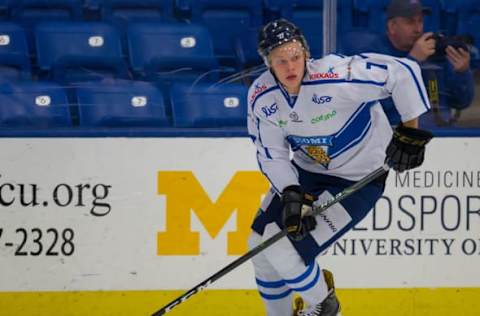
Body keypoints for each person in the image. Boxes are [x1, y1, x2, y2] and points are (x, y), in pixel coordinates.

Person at [247, 19, 433, 316]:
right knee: (259, 246)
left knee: (282, 248)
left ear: (306, 54)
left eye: (295, 56)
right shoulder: (262, 97)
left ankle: (325, 307)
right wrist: (292, 194)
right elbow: (272, 154)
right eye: (280, 60)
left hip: (357, 180)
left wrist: (410, 134)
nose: (290, 66)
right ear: (268, 63)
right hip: (307, 174)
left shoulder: (337, 75)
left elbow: (403, 72)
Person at [346, 0, 474, 126]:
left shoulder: (432, 53)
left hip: (440, 133)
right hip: (395, 134)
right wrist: (413, 62)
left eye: (420, 21)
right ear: (392, 27)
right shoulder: (372, 56)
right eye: (410, 22)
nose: (418, 29)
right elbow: (375, 107)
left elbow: (462, 102)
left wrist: (462, 72)